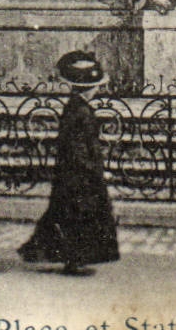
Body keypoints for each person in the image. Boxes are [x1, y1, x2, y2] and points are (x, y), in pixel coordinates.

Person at [19, 51, 119, 276]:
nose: (97, 90)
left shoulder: (76, 107)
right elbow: (78, 147)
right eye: (95, 87)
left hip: (75, 172)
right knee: (78, 216)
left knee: (69, 215)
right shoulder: (81, 110)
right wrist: (93, 169)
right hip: (79, 174)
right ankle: (73, 260)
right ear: (89, 89)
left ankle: (71, 258)